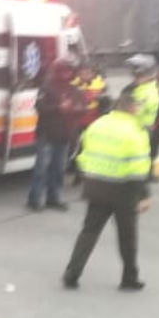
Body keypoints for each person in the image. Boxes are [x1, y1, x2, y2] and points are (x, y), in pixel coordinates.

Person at [63, 91, 153, 291]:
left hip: (96, 186)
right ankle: (129, 277)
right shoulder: (136, 131)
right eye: (137, 106)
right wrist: (144, 196)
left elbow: (82, 154)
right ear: (131, 108)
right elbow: (138, 169)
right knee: (127, 236)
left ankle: (72, 273)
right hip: (124, 191)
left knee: (89, 231)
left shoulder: (98, 124)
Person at [27, 57, 88, 211]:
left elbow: (83, 109)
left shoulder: (75, 90)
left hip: (65, 136)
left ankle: (54, 198)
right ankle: (35, 199)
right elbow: (39, 107)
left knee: (59, 169)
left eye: (69, 71)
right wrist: (58, 107)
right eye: (64, 70)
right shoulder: (47, 88)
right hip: (47, 134)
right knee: (41, 168)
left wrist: (73, 108)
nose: (67, 73)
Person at [125, 54, 159, 135]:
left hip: (139, 132)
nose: (133, 74)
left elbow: (128, 112)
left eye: (135, 70)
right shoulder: (136, 88)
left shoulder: (146, 92)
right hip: (131, 130)